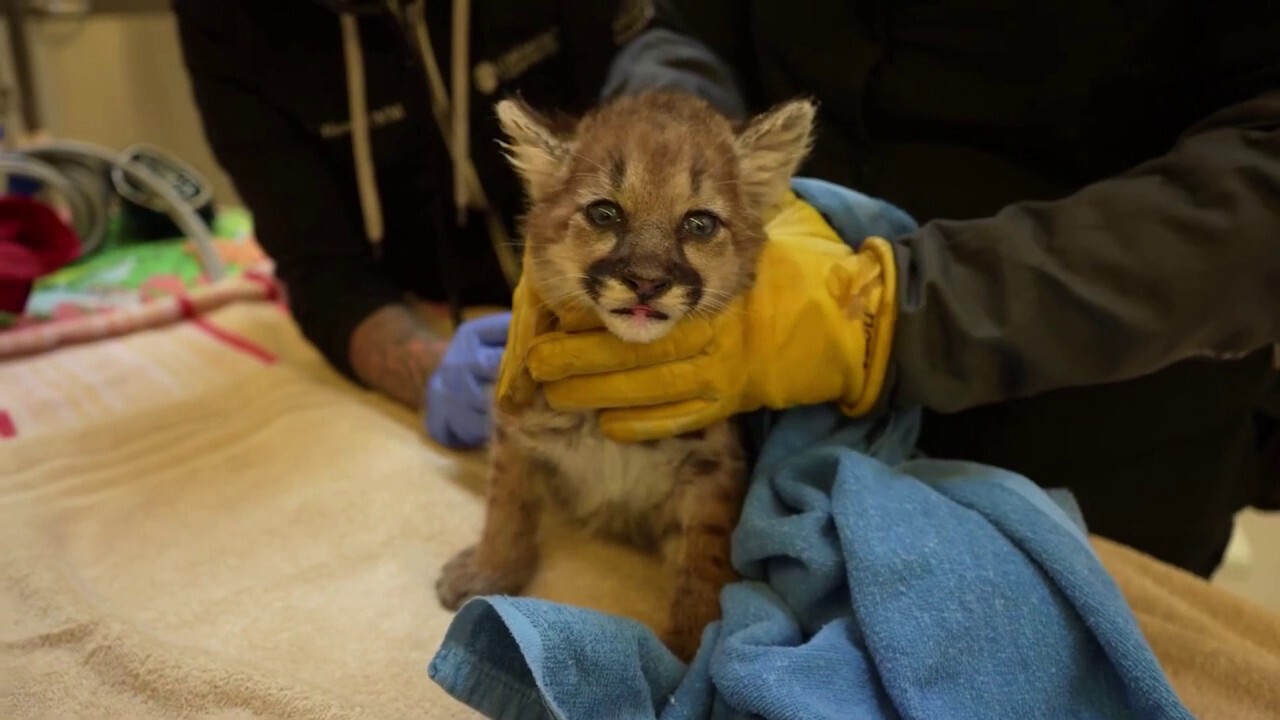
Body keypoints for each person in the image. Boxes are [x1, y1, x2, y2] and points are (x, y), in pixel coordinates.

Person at [493, 0, 1280, 579]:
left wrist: (895, 312)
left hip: (1090, 458)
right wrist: (670, 154)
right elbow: (690, 23)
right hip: (759, 402)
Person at [171, 0, 740, 428]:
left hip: (615, 283)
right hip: (424, 299)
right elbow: (318, 266)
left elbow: (649, 42)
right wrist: (431, 371)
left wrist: (679, 149)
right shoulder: (223, 18)